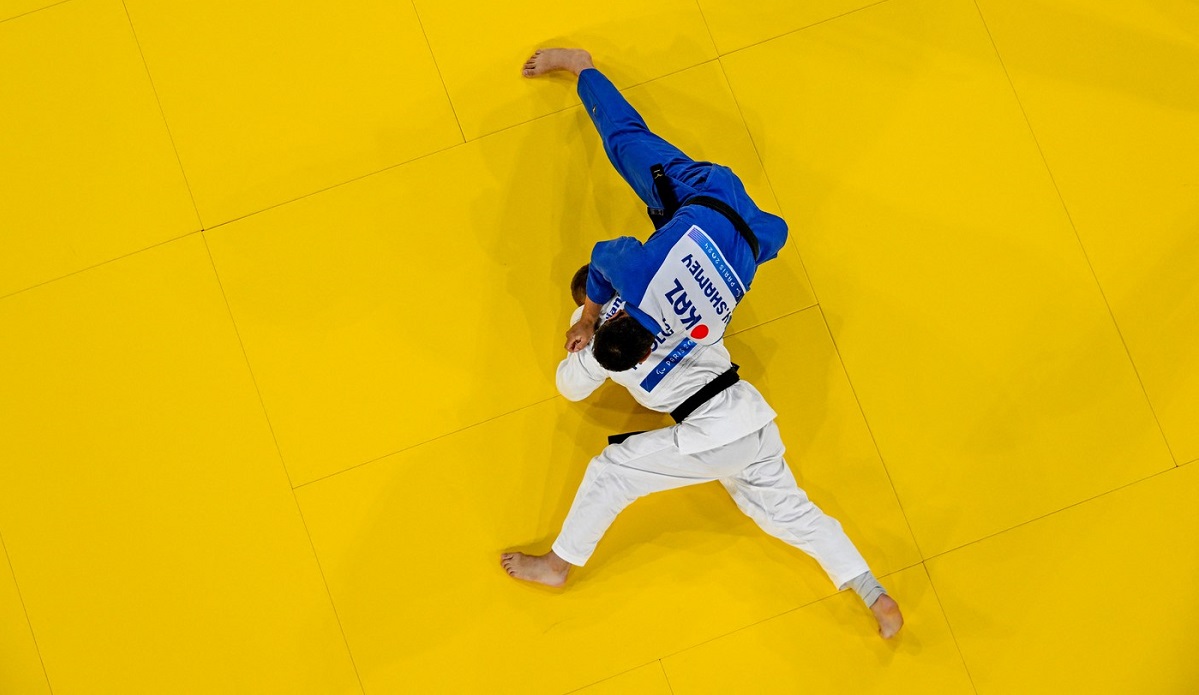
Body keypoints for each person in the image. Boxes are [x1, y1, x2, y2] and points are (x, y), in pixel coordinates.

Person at [501, 264, 905, 638]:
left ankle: (558, 565)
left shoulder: (603, 337)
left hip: (713, 431)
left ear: (588, 304)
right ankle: (873, 593)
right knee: (790, 511)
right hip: (750, 413)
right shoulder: (673, 291)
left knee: (613, 472)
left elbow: (569, 386)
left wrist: (582, 325)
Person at [522, 49, 789, 375]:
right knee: (623, 139)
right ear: (617, 315)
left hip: (761, 235)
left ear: (648, 352)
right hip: (709, 191)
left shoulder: (702, 333)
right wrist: (588, 318)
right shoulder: (635, 276)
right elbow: (600, 258)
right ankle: (580, 65)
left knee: (678, 238)